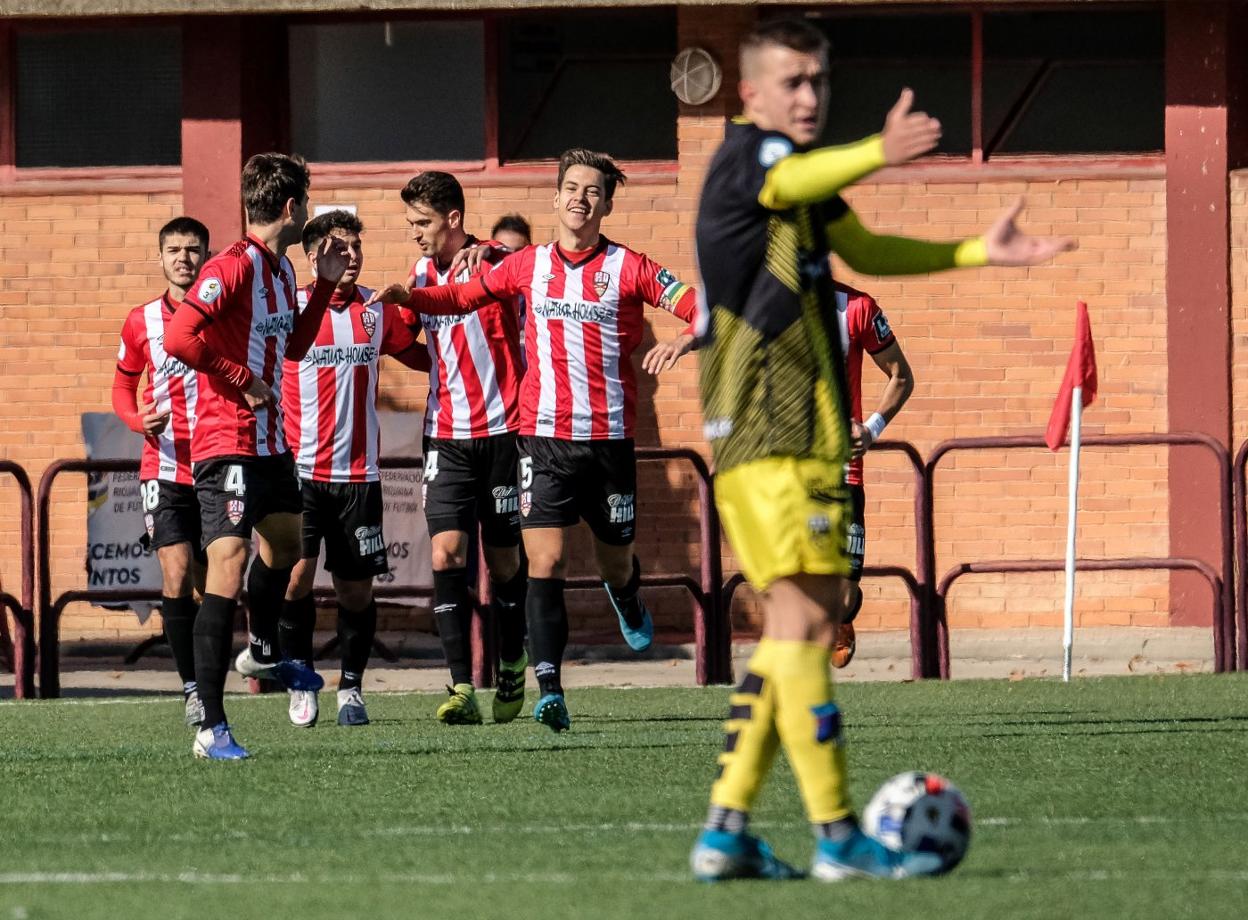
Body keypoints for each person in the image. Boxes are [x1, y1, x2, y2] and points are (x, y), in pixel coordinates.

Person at [690, 19, 1075, 881]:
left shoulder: (799, 190)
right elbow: (797, 172)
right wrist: (878, 147)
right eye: (790, 81)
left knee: (791, 633)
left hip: (778, 438)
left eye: (817, 81)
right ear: (748, 93)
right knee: (811, 624)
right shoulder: (749, 159)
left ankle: (726, 833)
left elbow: (864, 249)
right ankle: (836, 836)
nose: (807, 96)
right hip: (775, 428)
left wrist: (977, 250)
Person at [369, 149, 699, 734]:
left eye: (592, 190)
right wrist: (408, 297)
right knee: (542, 563)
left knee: (614, 559)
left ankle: (625, 594)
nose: (580, 198)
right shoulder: (529, 265)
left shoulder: (629, 266)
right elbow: (464, 297)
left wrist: (686, 341)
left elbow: (701, 308)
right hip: (540, 439)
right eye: (571, 187)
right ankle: (550, 689)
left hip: (608, 439)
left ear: (606, 202)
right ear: (555, 197)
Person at [164, 153, 350, 760]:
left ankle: (264, 648)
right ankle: (210, 727)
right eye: (308, 201)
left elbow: (294, 345)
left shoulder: (279, 269)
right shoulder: (234, 265)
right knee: (228, 564)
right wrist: (236, 375)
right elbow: (178, 336)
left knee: (291, 547)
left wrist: (321, 284)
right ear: (291, 207)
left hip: (271, 443)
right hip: (227, 441)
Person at [279, 210, 430, 728]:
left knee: (356, 591)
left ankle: (351, 689)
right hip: (298, 474)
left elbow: (419, 355)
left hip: (359, 477)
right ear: (314, 255)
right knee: (295, 579)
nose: (352, 256)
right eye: (339, 247)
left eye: (356, 247)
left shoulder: (374, 309)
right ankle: (300, 682)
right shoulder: (290, 307)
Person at [396, 171, 529, 726]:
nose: (415, 234)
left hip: (502, 432)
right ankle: (459, 687)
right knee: (446, 555)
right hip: (445, 436)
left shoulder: (495, 261)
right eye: (410, 224)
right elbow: (402, 337)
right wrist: (437, 369)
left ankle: (515, 662)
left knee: (502, 562)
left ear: (453, 219)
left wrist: (491, 251)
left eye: (422, 222)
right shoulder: (420, 273)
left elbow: (525, 263)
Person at [112, 216, 212, 728]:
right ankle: (193, 689)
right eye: (174, 249)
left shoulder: (224, 315)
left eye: (193, 250)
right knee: (173, 573)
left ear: (206, 256)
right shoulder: (141, 321)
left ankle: (221, 672)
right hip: (165, 467)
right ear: (160, 257)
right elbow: (122, 388)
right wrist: (136, 420)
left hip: (220, 464)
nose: (183, 258)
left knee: (208, 581)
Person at [829, 281, 915, 669]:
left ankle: (840, 618)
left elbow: (901, 376)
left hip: (843, 470)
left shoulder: (857, 308)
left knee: (844, 596)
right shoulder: (765, 307)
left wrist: (872, 428)